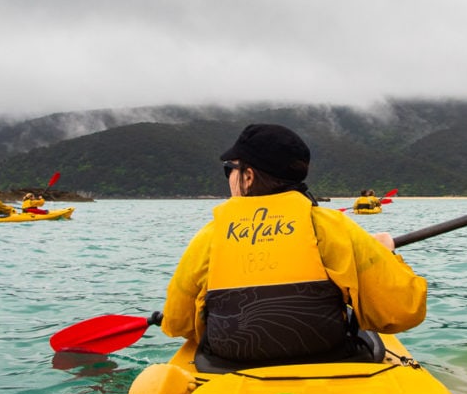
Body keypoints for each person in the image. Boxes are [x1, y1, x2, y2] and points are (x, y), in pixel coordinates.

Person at [161, 124, 427, 367]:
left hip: (228, 369)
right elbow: (403, 310)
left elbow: (177, 323)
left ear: (249, 176)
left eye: (230, 169)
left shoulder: (210, 236)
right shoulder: (332, 227)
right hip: (327, 364)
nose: (229, 177)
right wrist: (387, 255)